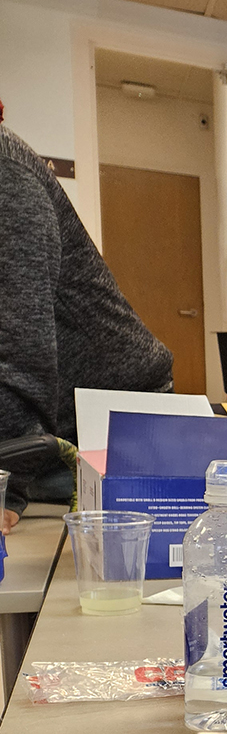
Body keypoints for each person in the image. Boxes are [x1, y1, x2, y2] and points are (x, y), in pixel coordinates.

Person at [0, 113, 173, 531]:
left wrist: (6, 487)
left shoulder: (7, 175)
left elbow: (18, 354)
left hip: (99, 438)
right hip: (43, 441)